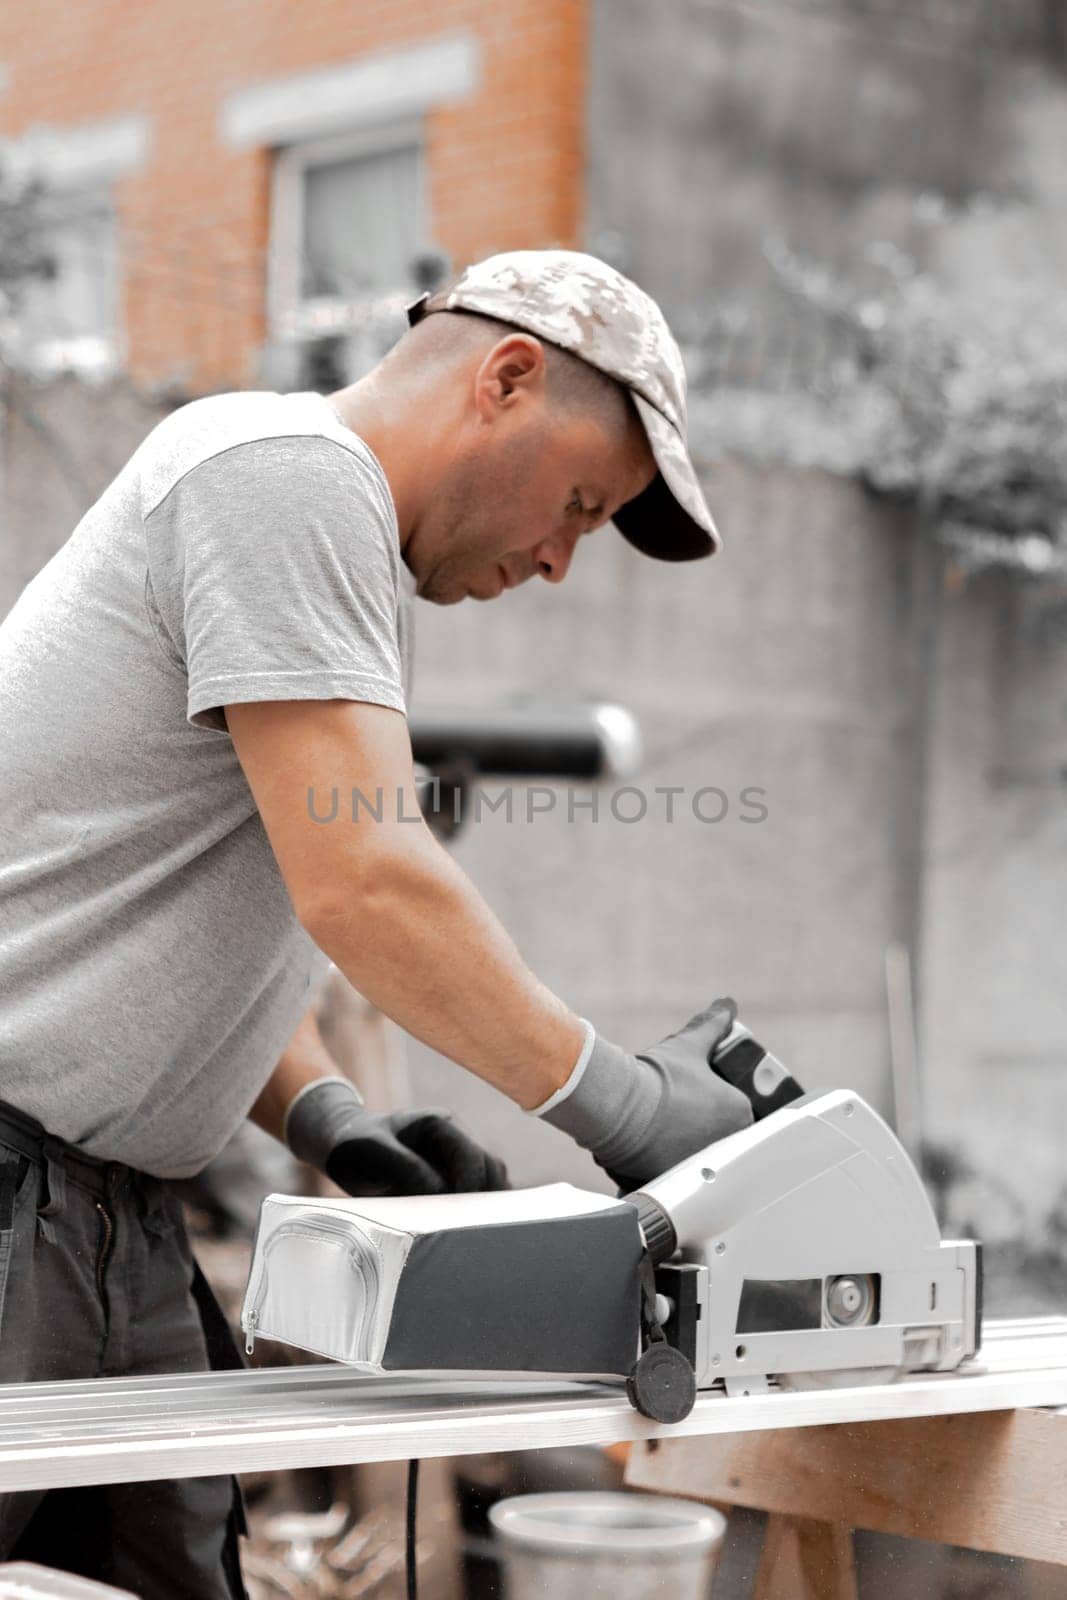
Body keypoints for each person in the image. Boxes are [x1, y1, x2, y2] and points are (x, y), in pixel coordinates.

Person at [0, 250, 753, 1596]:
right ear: (506, 376)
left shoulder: (307, 522)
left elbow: (191, 903)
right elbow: (367, 882)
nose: (560, 560)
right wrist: (628, 1106)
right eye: (579, 503)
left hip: (110, 1224)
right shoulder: (284, 475)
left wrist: (327, 1115)